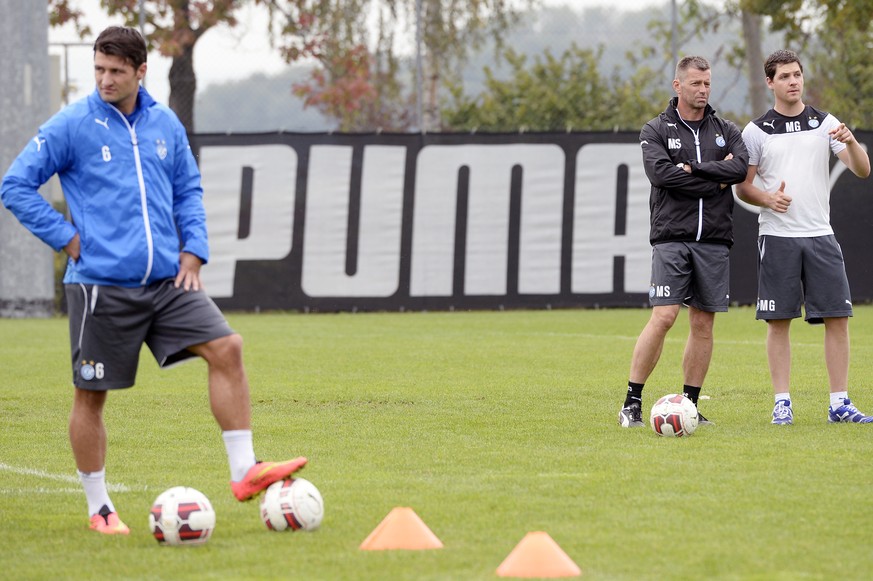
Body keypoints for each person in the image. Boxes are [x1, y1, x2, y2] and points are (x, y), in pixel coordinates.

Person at [0, 26, 307, 535]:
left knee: (228, 347)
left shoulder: (165, 124)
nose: (105, 79)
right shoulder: (72, 124)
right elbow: (15, 184)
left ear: (141, 72)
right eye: (99, 69)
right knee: (90, 396)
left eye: (116, 71)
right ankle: (100, 508)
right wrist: (67, 238)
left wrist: (193, 253)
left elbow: (188, 191)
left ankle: (243, 471)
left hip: (168, 282)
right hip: (100, 286)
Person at [735, 49, 871, 425]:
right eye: (785, 76)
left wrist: (853, 142)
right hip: (777, 236)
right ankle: (782, 402)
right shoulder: (756, 130)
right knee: (779, 322)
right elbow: (742, 188)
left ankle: (839, 403)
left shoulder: (825, 122)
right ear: (770, 82)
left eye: (797, 74)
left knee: (838, 318)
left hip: (821, 235)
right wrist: (768, 198)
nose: (793, 81)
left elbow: (862, 170)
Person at [618, 56, 749, 428]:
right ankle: (631, 402)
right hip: (671, 238)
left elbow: (739, 168)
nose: (703, 90)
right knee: (664, 316)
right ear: (678, 86)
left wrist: (694, 168)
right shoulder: (655, 129)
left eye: (707, 83)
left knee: (703, 324)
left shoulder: (725, 128)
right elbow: (662, 175)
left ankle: (689, 403)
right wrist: (715, 179)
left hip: (714, 240)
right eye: (695, 83)